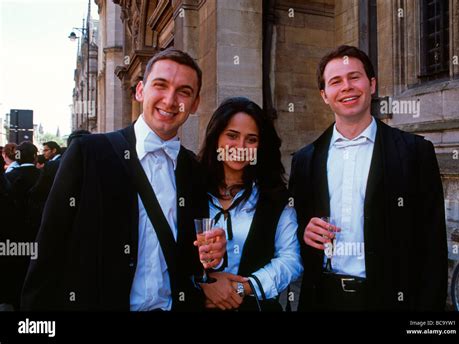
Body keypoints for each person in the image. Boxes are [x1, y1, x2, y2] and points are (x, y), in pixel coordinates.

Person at [21, 48, 227, 311]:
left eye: (184, 91)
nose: (170, 99)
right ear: (140, 91)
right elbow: (48, 249)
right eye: (160, 85)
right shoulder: (88, 153)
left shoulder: (195, 170)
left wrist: (213, 257)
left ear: (195, 103)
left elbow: (189, 257)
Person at [290, 45, 447, 311]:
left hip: (392, 300)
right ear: (324, 95)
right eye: (335, 81)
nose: (347, 87)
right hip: (323, 299)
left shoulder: (415, 152)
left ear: (371, 84)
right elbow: (292, 230)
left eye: (354, 77)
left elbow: (433, 247)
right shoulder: (304, 159)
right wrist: (303, 230)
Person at [198, 97, 303, 311]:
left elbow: (291, 259)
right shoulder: (191, 190)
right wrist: (202, 284)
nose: (241, 146)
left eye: (251, 139)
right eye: (232, 135)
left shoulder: (275, 197)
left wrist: (241, 288)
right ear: (216, 137)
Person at [3, 141, 40, 309]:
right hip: (36, 235)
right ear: (34, 156)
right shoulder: (44, 176)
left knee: (14, 271)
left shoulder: (8, 177)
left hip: (12, 237)